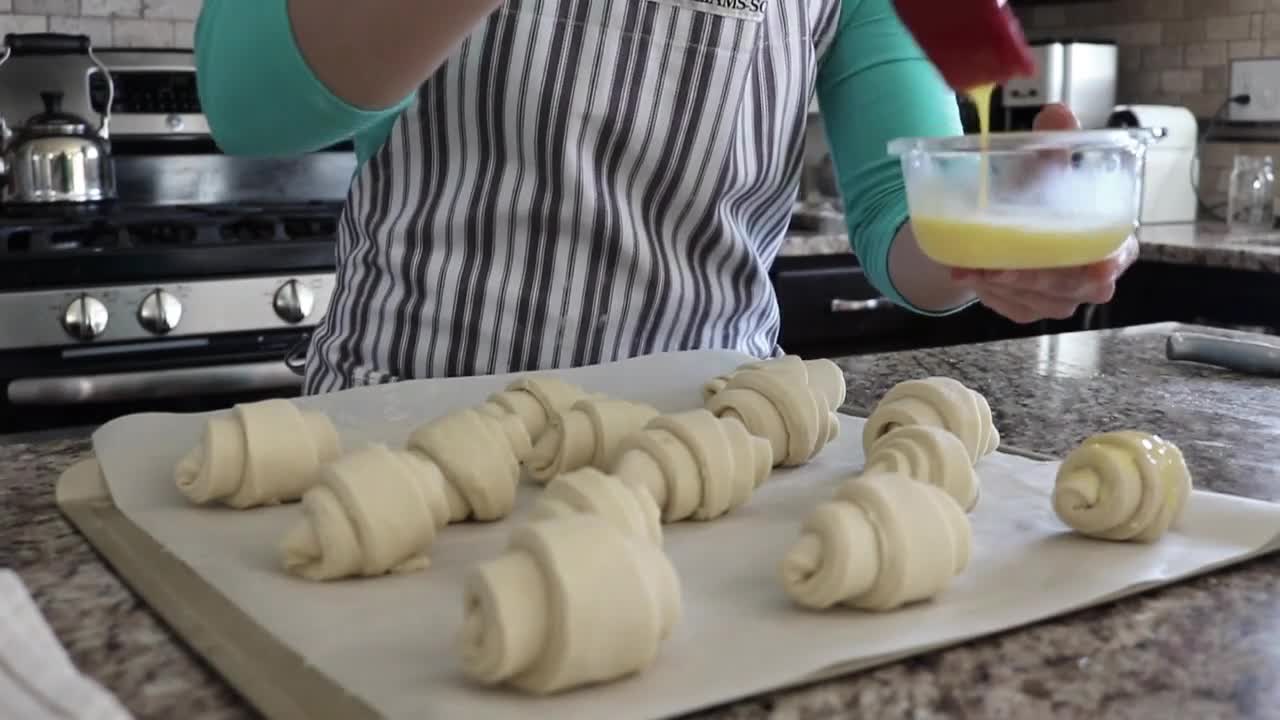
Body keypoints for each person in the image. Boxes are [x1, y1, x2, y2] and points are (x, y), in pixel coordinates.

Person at [195, 0, 1136, 394]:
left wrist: (992, 241)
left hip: (709, 457)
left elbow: (903, 209)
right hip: (398, 424)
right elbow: (249, 101)